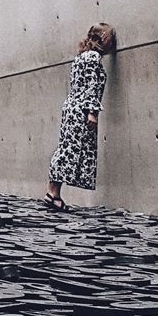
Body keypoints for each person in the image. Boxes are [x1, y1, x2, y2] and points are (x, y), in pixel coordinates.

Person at [45, 22, 116, 210]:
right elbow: (92, 85)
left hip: (71, 107)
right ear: (104, 41)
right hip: (81, 110)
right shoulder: (93, 57)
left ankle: (53, 192)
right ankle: (53, 194)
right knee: (69, 151)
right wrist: (92, 112)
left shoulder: (81, 57)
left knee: (65, 149)